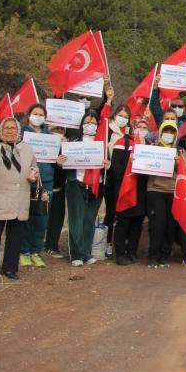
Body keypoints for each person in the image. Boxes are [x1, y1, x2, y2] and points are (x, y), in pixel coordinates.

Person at [0, 116, 38, 280]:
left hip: (19, 200)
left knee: (15, 237)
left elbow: (34, 167)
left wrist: (34, 174)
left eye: (13, 128)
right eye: (6, 128)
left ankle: (10, 268)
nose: (10, 131)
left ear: (18, 130)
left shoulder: (27, 149)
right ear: (1, 130)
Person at [62, 112, 110, 267]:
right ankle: (76, 254)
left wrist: (107, 165)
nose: (91, 125)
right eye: (88, 122)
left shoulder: (102, 141)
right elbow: (62, 161)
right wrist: (60, 159)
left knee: (89, 220)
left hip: (96, 186)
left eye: (94, 122)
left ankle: (86, 252)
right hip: (77, 183)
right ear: (82, 124)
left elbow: (107, 163)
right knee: (76, 219)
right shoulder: (73, 141)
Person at [19, 103, 55, 268]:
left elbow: (56, 158)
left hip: (46, 183)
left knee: (42, 219)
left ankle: (36, 251)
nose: (38, 117)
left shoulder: (50, 136)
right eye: (36, 113)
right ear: (29, 114)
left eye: (41, 114)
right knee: (26, 218)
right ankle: (24, 252)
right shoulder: (22, 134)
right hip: (27, 182)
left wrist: (60, 159)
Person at [146, 120, 184, 268]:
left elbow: (185, 171)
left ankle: (164, 255)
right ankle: (153, 256)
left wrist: (177, 162)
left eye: (171, 132)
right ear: (161, 133)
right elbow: (144, 166)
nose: (168, 135)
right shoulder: (152, 149)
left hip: (173, 192)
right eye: (165, 132)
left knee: (170, 225)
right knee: (157, 223)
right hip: (155, 190)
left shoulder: (180, 151)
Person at [112, 116, 150, 266]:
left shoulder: (149, 145)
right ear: (133, 127)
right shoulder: (122, 142)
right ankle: (120, 254)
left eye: (144, 127)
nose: (141, 130)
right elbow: (115, 168)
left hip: (141, 189)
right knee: (123, 222)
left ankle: (132, 252)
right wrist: (130, 165)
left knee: (137, 222)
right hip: (125, 188)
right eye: (138, 126)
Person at [102, 104, 132, 257]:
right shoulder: (108, 131)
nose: (123, 119)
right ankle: (106, 243)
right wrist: (108, 100)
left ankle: (122, 243)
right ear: (114, 116)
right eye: (120, 115)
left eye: (126, 117)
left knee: (124, 214)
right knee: (111, 212)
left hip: (126, 179)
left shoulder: (129, 134)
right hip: (112, 178)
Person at [43, 123, 69, 259]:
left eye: (61, 129)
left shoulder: (67, 145)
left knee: (57, 218)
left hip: (59, 188)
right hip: (45, 187)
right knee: (41, 216)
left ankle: (52, 245)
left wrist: (65, 147)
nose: (59, 131)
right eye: (56, 129)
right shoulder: (43, 143)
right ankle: (37, 244)